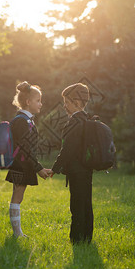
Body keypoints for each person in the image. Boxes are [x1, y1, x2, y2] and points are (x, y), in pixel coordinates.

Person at [6, 81, 52, 237]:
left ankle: (17, 233)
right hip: (20, 165)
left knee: (19, 196)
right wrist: (38, 168)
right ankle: (17, 233)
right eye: (38, 100)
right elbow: (25, 149)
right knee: (17, 197)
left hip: (24, 164)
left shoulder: (26, 120)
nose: (41, 104)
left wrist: (37, 166)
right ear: (28, 102)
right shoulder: (21, 121)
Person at [50, 83, 94, 244]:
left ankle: (76, 239)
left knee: (76, 206)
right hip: (87, 169)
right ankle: (87, 237)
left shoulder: (74, 123)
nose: (64, 106)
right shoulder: (88, 120)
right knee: (86, 204)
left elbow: (67, 149)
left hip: (76, 171)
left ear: (76, 102)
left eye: (67, 102)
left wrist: (55, 168)